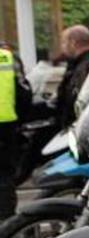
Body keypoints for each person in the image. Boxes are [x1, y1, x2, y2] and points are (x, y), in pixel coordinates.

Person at [0, 43, 33, 218]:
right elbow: (24, 93)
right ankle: (6, 223)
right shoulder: (8, 57)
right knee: (4, 176)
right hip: (5, 127)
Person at [56, 25, 89, 129]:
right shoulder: (79, 64)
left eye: (64, 42)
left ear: (73, 43)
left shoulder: (83, 67)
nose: (62, 47)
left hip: (77, 126)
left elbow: (75, 98)